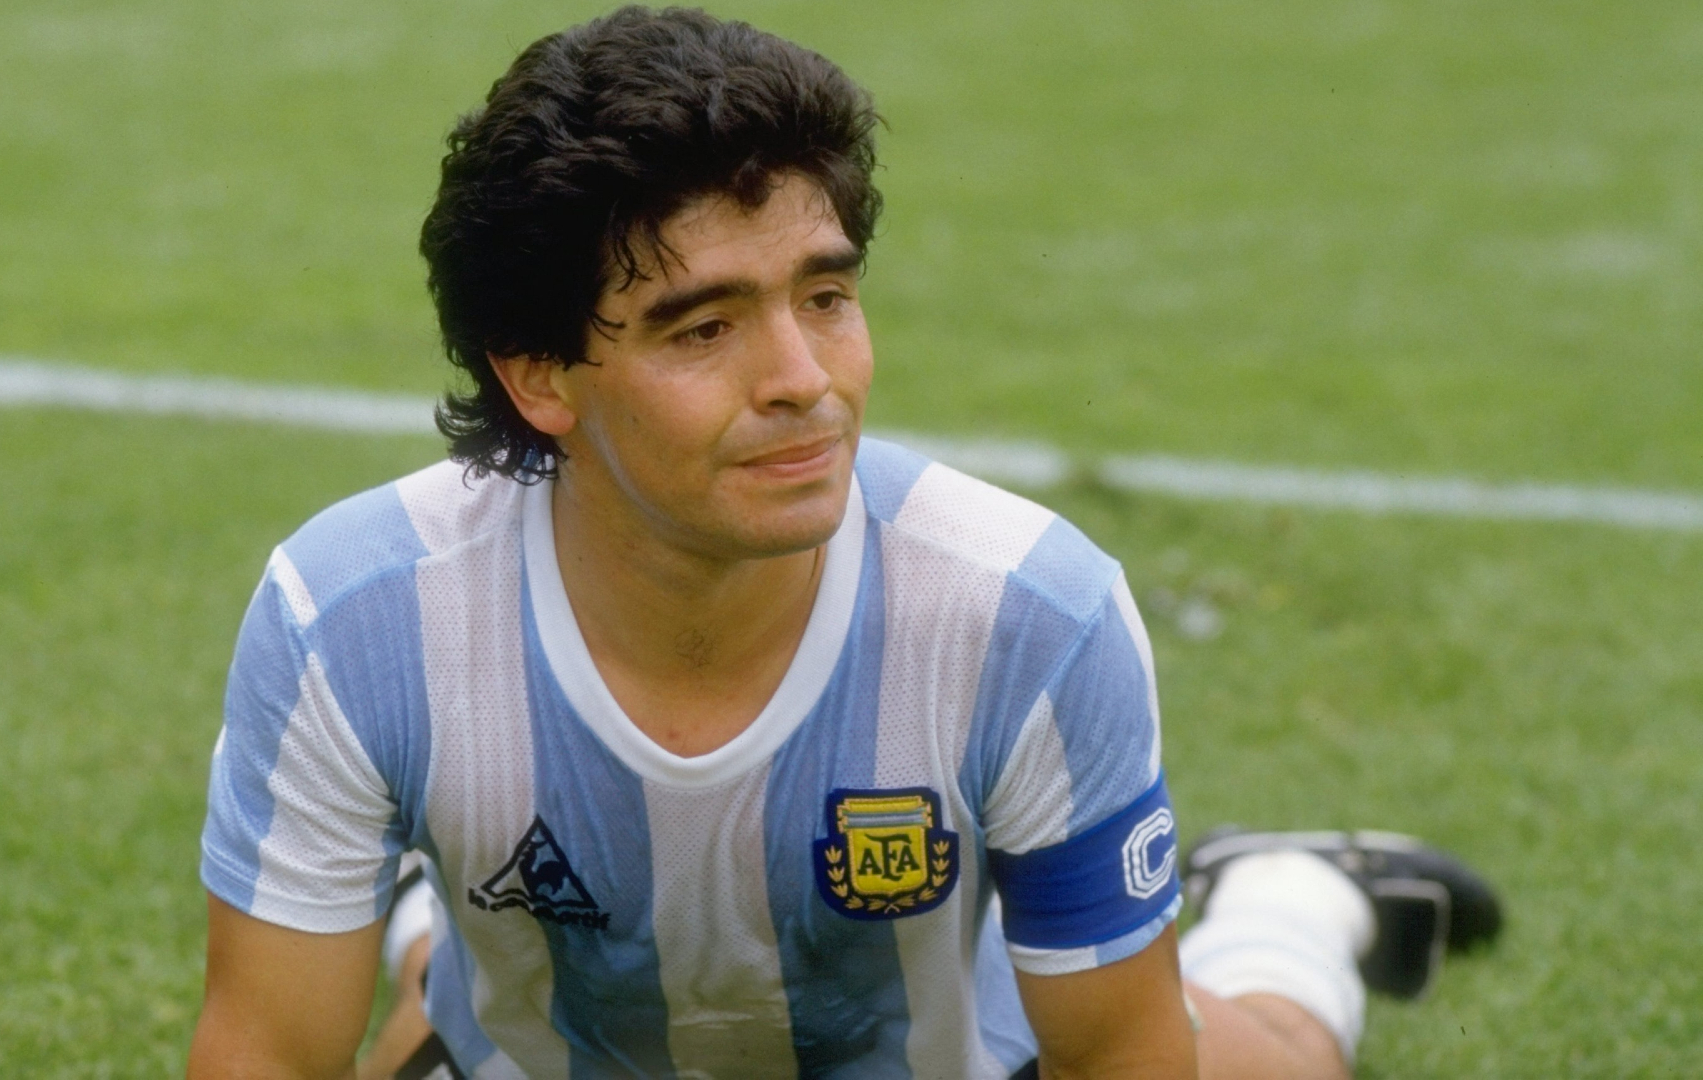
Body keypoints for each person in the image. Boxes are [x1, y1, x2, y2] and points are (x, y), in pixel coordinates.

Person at [186, 8, 1499, 1079]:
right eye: (706, 328)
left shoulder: (1028, 612)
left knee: (1262, 1061)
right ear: (539, 375)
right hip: (542, 1058)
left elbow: (1122, 1063)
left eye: (825, 296)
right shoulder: (353, 617)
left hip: (957, 1060)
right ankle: (453, 919)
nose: (804, 381)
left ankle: (1286, 905)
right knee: (513, 961)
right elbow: (267, 1057)